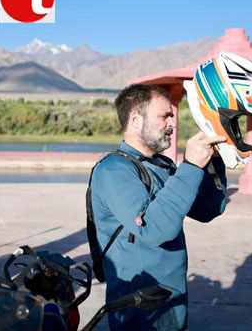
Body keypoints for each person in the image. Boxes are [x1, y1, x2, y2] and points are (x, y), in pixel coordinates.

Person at [91, 84, 227, 330]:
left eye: (171, 117)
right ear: (135, 119)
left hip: (173, 301)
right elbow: (154, 228)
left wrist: (213, 161)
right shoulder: (113, 170)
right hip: (139, 309)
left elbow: (207, 210)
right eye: (164, 116)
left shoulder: (162, 165)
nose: (171, 124)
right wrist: (191, 166)